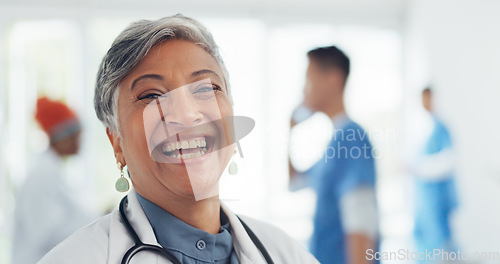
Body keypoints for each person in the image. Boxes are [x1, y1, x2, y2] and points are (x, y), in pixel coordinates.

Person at [39, 15, 319, 264]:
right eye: (151, 95)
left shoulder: (287, 254)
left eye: (206, 88)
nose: (186, 114)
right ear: (117, 143)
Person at [288, 46, 378, 264]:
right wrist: (290, 129)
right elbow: (294, 183)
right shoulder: (335, 143)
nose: (304, 89)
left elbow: (361, 224)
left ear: (333, 79)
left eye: (309, 79)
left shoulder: (352, 138)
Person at [12, 97, 93, 264]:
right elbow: (47, 233)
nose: (81, 141)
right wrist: (96, 223)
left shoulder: (52, 171)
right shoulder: (41, 175)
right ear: (62, 138)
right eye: (76, 135)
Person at [412, 87, 458, 258]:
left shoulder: (440, 128)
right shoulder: (422, 128)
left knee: (441, 245)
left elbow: (447, 162)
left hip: (437, 199)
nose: (425, 103)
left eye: (428, 98)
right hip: (424, 200)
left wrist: (419, 169)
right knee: (425, 246)